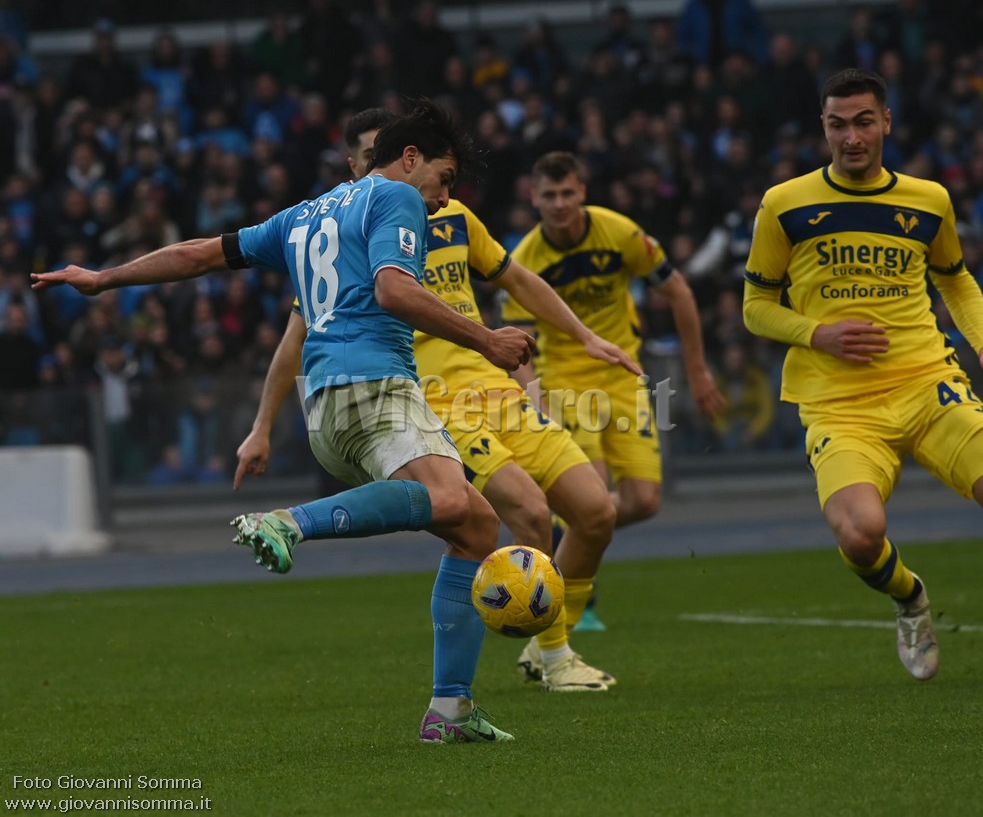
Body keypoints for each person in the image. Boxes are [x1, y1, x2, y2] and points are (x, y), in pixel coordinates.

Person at [32, 100, 536, 744]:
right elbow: (394, 291)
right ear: (410, 158)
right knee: (451, 498)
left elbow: (198, 255)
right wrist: (487, 340)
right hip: (374, 385)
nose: (443, 199)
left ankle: (450, 711)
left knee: (476, 525)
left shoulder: (304, 214)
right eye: (445, 179)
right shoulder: (395, 197)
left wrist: (105, 279)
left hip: (323, 404)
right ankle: (289, 522)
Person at [235, 108, 640, 692]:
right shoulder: (346, 238)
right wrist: (262, 425)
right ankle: (553, 658)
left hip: (496, 387)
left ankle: (523, 658)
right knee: (526, 513)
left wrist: (585, 337)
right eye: (367, 157)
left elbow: (518, 280)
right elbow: (294, 341)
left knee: (597, 512)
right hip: (430, 401)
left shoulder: (452, 216)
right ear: (357, 166)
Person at [743, 68, 983, 681]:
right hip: (839, 403)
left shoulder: (929, 199)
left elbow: (955, 281)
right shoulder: (785, 204)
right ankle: (909, 596)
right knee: (859, 535)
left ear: (886, 123)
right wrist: (816, 332)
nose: (851, 137)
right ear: (823, 128)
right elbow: (755, 307)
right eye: (838, 124)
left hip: (927, 383)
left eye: (864, 122)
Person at [502, 151, 726, 627]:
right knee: (594, 497)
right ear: (533, 198)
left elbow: (679, 292)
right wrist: (536, 400)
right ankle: (568, 605)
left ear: (582, 192)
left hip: (624, 377)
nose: (559, 204)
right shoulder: (524, 260)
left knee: (644, 501)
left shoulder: (620, 233)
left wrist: (698, 370)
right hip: (566, 384)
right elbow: (519, 344)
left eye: (567, 193)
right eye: (549, 195)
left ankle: (566, 543)